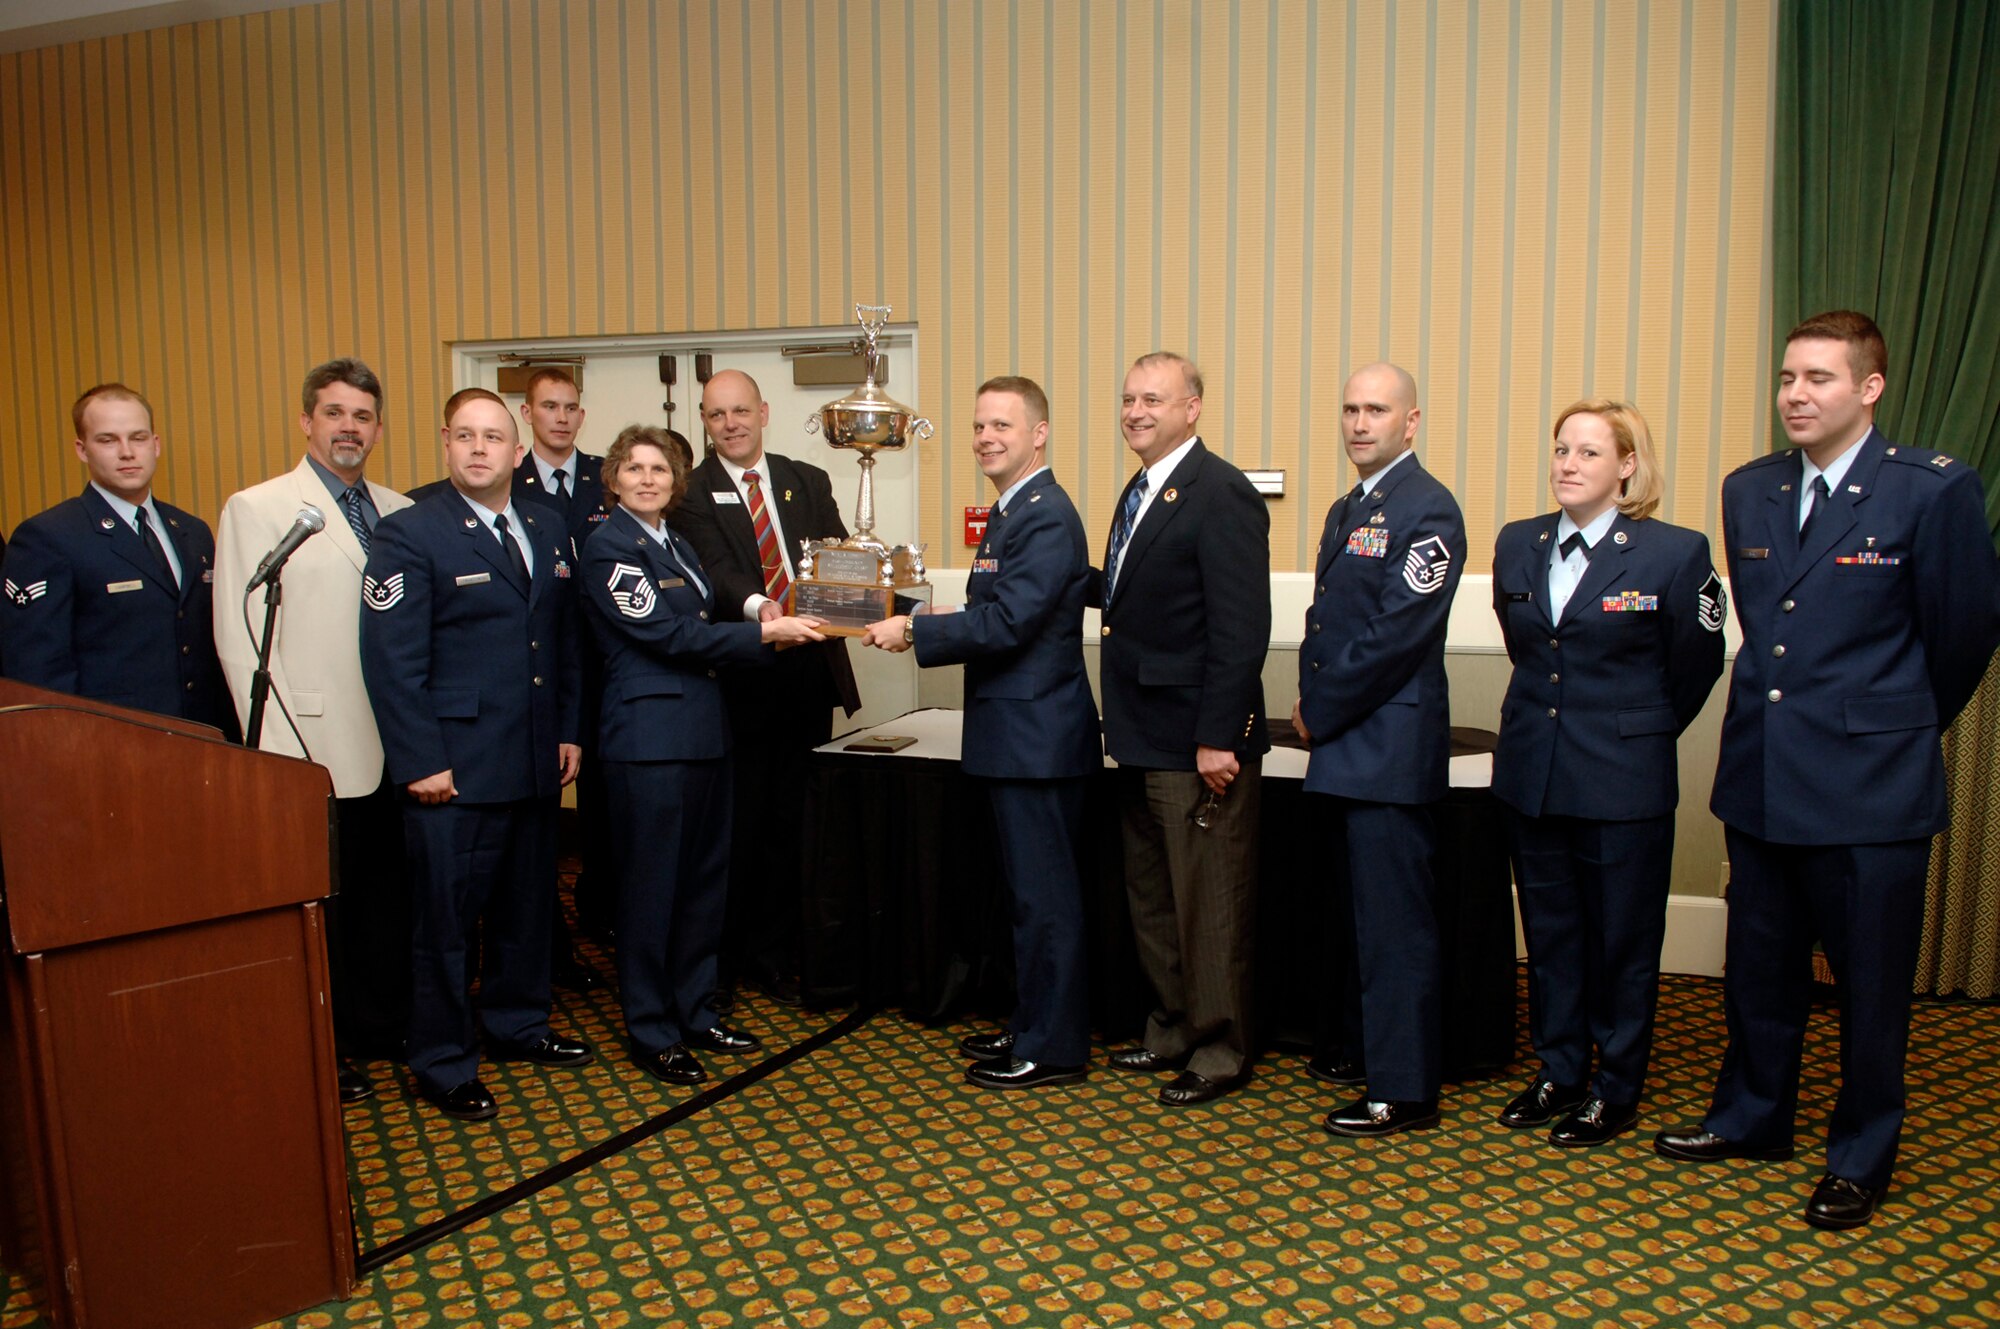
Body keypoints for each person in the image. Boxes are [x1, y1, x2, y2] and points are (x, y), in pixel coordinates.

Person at [1655, 311, 2000, 1228]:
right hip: (1764, 775)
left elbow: (1962, 637)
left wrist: (1885, 723)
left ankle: (1861, 1152)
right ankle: (1753, 1116)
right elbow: (1770, 629)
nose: (1796, 396)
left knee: (1871, 988)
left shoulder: (1931, 490)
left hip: (1871, 789)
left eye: (1819, 379)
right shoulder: (1750, 489)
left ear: (1870, 388)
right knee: (1758, 971)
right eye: (1786, 379)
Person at [1489, 399, 1725, 1146]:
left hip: (1625, 780)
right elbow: (1529, 651)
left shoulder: (1674, 552)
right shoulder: (1518, 543)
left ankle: (1616, 1087)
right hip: (1536, 773)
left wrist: (1637, 732)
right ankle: (1561, 1070)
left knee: (1622, 941)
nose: (1569, 463)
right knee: (1553, 934)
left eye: (1590, 452)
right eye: (1562, 449)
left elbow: (1694, 665)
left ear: (1627, 466)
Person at [359, 389, 592, 1122]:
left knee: (528, 907)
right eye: (466, 435)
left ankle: (518, 1023)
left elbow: (562, 642)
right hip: (452, 770)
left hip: (530, 759)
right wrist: (420, 758)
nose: (481, 449)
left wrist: (569, 728)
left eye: (495, 437)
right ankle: (442, 1059)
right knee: (445, 925)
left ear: (518, 453)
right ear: (445, 443)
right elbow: (390, 660)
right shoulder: (409, 534)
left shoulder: (548, 527)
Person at [862, 377, 1101, 1089]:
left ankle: (1054, 1047)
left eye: (1002, 423)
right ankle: (1033, 1026)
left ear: (1039, 432)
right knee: (1027, 900)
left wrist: (913, 628)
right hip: (1015, 735)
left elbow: (1009, 623)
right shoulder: (1012, 511)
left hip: (1038, 740)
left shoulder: (1045, 515)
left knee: (1046, 902)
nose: (986, 437)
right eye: (977, 425)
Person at [579, 424, 826, 1085]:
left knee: (700, 890)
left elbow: (708, 609)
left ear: (675, 481)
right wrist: (767, 638)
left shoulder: (677, 542)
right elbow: (667, 633)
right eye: (634, 468)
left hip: (704, 735)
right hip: (649, 742)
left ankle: (696, 1009)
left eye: (659, 469)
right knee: (650, 891)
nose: (648, 478)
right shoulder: (609, 548)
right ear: (614, 479)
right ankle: (652, 1028)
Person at [214, 357, 416, 1104]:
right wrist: (271, 753)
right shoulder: (261, 508)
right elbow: (240, 642)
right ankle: (323, 1045)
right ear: (307, 421)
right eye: (334, 414)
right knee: (321, 908)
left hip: (395, 742)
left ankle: (380, 1025)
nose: (349, 428)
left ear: (379, 428)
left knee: (385, 900)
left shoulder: (399, 510)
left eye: (362, 416)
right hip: (310, 745)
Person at [1092, 352, 1271, 1107]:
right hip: (1138, 732)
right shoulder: (1140, 489)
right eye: (1129, 398)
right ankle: (1169, 1027)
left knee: (1209, 902)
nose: (1136, 411)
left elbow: (1241, 627)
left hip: (1197, 739)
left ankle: (1221, 1048)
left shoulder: (1220, 491)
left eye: (1154, 400)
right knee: (1155, 897)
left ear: (1192, 407)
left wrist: (1218, 735)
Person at [1293, 362, 1466, 1139]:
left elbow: (1396, 633)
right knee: (1361, 920)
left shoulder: (1429, 508)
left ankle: (1405, 1089)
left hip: (1387, 750)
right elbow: (1329, 619)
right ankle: (1369, 1052)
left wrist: (1320, 706)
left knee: (1396, 930)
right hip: (1346, 746)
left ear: (1412, 420)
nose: (1360, 422)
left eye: (1377, 409)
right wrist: (1309, 697)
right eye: (1350, 408)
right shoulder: (1348, 507)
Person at [670, 368, 862, 1005]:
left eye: (740, 411)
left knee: (791, 824)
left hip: (808, 678)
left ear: (764, 411)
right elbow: (716, 572)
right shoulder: (690, 493)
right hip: (741, 679)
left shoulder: (806, 480)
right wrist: (763, 610)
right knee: (737, 828)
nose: (730, 424)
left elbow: (840, 563)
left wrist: (896, 605)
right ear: (705, 421)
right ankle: (720, 966)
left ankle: (772, 955)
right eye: (717, 414)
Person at [3, 384, 236, 738]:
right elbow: (37, 673)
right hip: (111, 746)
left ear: (155, 445)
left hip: (202, 739)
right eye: (108, 440)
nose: (127, 452)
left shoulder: (192, 531)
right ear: (82, 450)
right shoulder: (49, 537)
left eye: (138, 438)